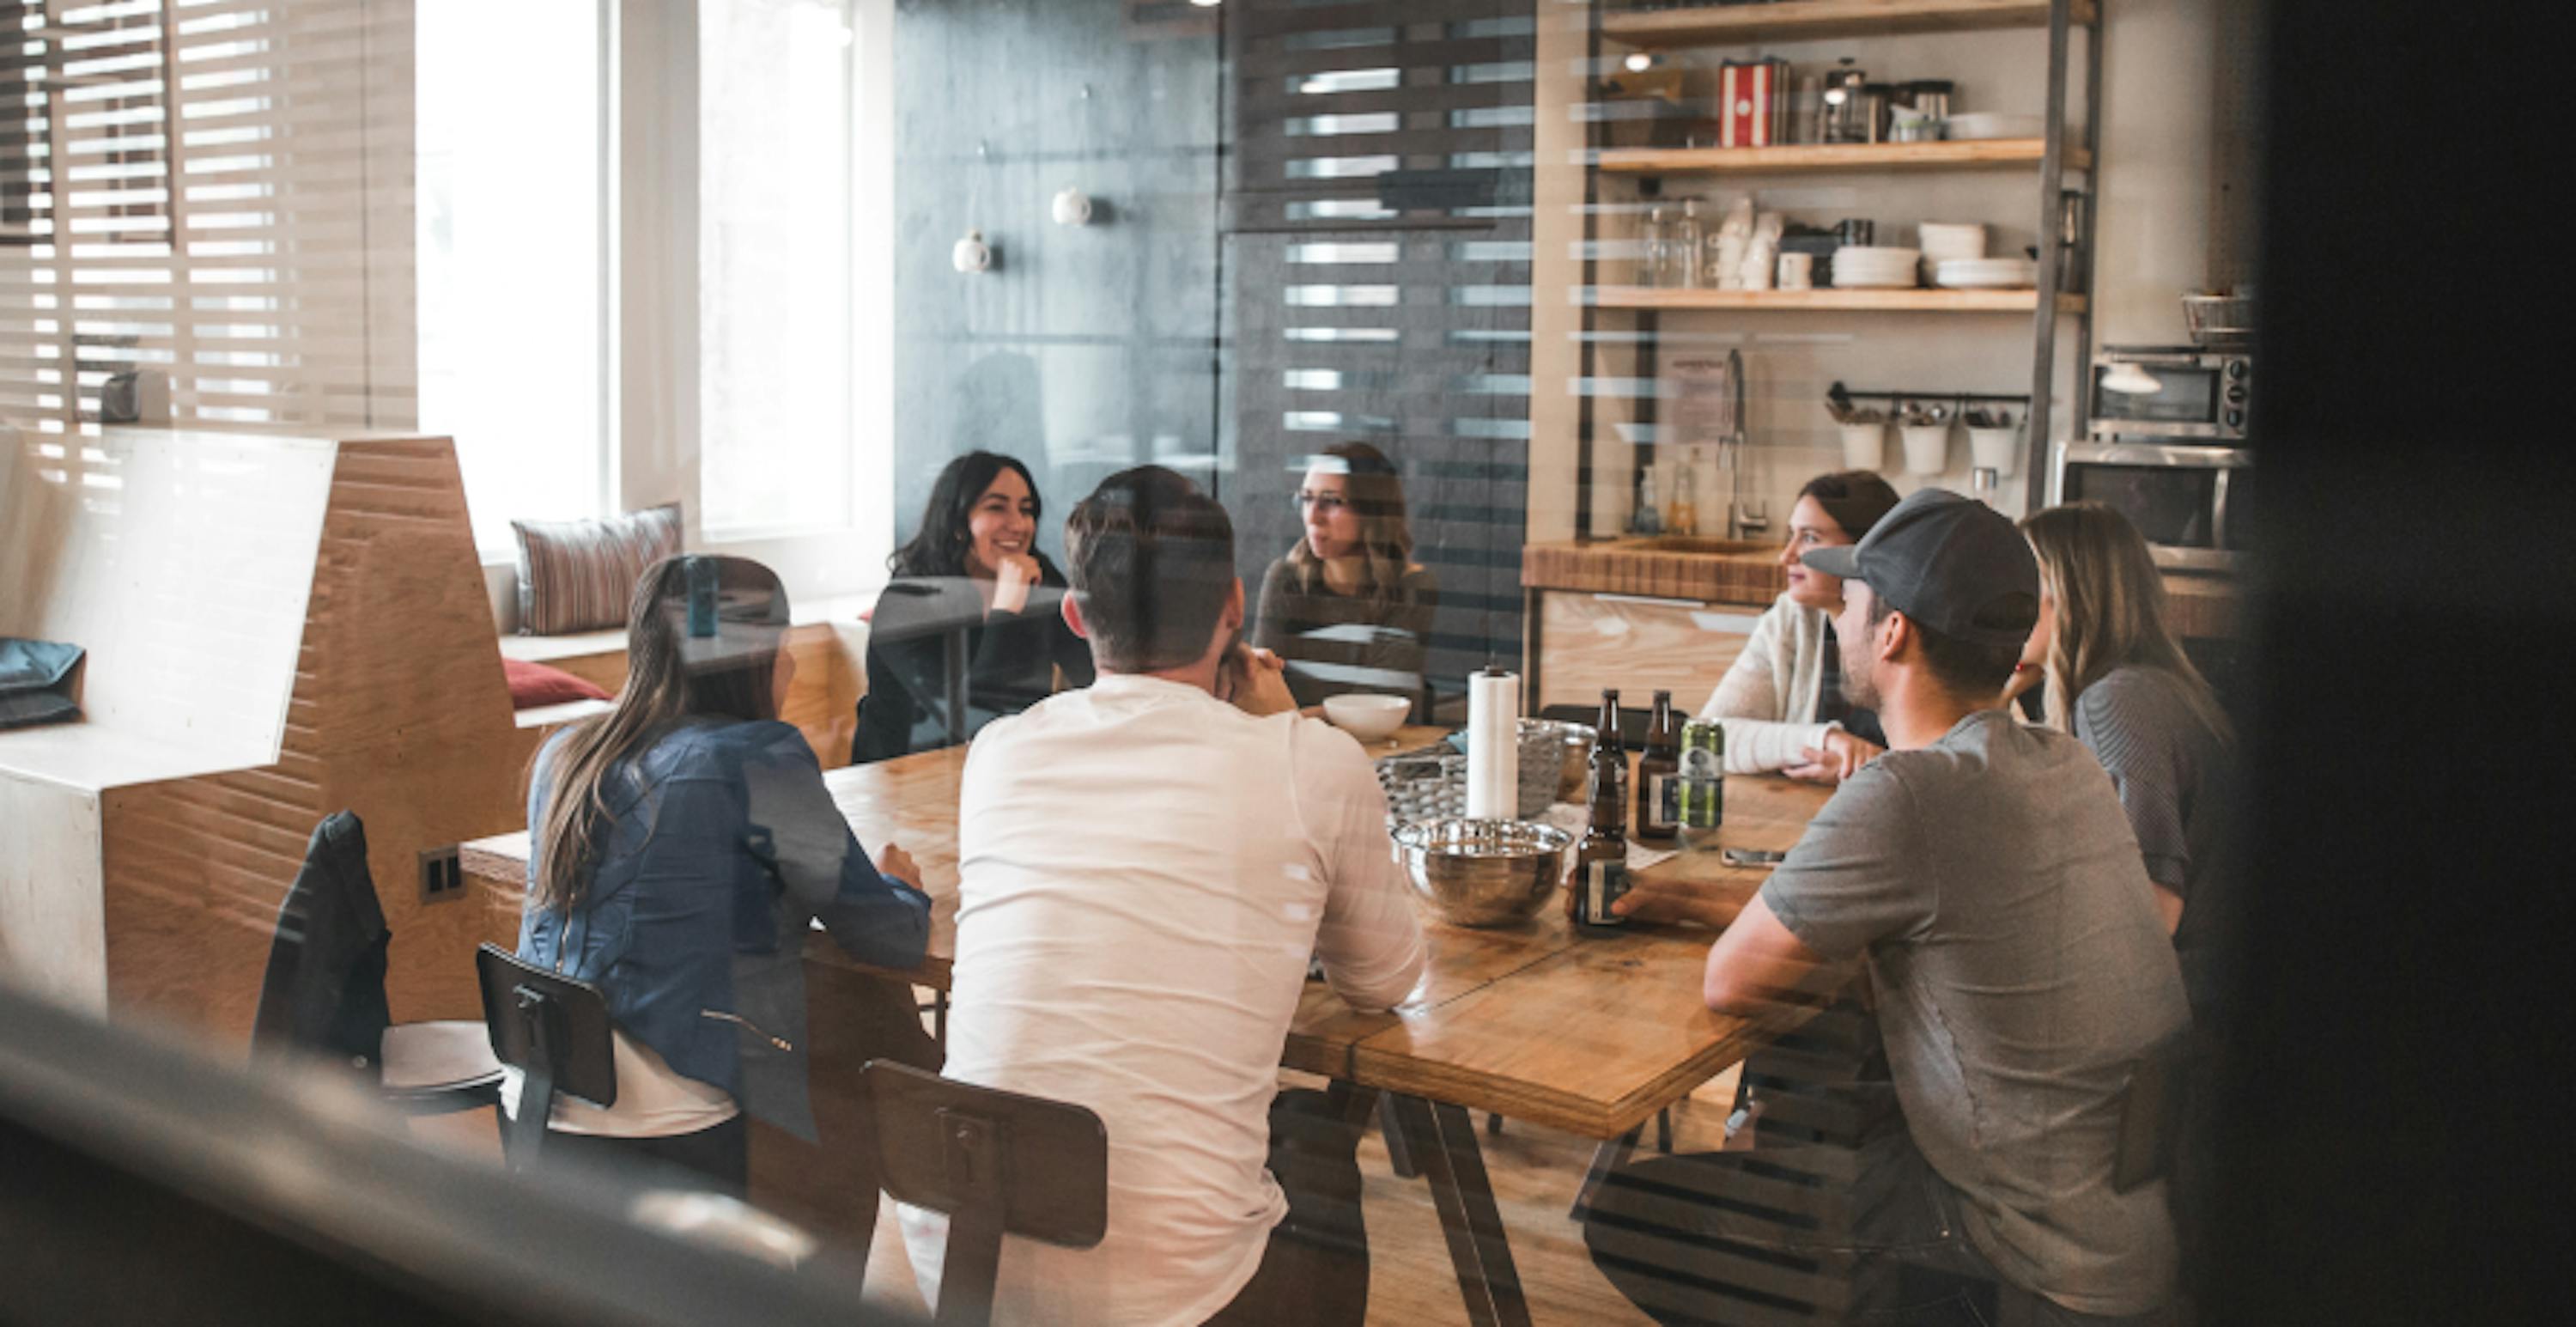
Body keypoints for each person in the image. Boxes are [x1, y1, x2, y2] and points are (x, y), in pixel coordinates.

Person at [1600, 490, 2191, 1325]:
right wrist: (1690, 898)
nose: (1837, 614)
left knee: (1636, 1217)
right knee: (1818, 1121)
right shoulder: (2061, 763)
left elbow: (1731, 984)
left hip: (2025, 1254)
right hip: (2121, 1231)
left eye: (1851, 599)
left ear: (1894, 631)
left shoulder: (1909, 792)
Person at [900, 466, 1428, 1327]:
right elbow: (1382, 980)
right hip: (1175, 1300)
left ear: (1075, 615)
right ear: (1234, 604)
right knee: (1317, 1141)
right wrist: (1283, 725)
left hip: (965, 1268)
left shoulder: (1001, 753)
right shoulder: (1310, 760)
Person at [512, 555, 934, 1196]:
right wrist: (904, 885)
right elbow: (887, 936)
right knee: (864, 1040)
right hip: (667, 1124)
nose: (790, 664)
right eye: (784, 645)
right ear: (755, 656)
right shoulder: (758, 758)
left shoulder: (563, 756)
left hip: (539, 1105)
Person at [2012, 502, 2237, 1020]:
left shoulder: (2118, 701)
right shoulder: (2146, 685)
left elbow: (2152, 911)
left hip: (2187, 1011)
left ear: (2062, 593)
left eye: (2020, 582)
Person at [851, 451, 1096, 764]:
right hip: (902, 779)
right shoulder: (907, 601)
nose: (1019, 525)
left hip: (1004, 767)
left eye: (1027, 510)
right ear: (957, 523)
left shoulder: (1038, 578)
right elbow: (975, 721)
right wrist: (1007, 608)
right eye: (996, 508)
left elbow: (1094, 673)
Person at [1698, 470, 1902, 782]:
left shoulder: (1910, 631)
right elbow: (1708, 736)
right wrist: (1826, 741)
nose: (1786, 556)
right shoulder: (1791, 619)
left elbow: (1941, 763)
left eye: (1809, 538)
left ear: (1863, 550)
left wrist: (1863, 768)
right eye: (1791, 535)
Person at [1252, 442, 1440, 710]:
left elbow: (1379, 701)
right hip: (1297, 742)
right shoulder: (1287, 578)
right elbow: (1262, 684)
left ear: (1371, 511)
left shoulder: (1412, 586)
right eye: (1306, 499)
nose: (1313, 517)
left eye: (1331, 501)